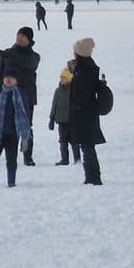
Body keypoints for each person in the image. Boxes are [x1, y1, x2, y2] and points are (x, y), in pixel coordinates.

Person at [0, 27, 40, 165]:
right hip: (6, 96)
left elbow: (29, 64)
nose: (19, 38)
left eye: (23, 36)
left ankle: (27, 156)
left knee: (26, 126)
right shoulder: (7, 54)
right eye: (18, 34)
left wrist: (10, 56)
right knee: (5, 126)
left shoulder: (34, 56)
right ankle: (0, 155)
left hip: (27, 97)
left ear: (29, 40)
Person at [0, 67, 31, 187]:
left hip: (13, 133)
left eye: (12, 78)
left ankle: (11, 181)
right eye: (6, 77)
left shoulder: (20, 94)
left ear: (16, 81)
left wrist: (26, 133)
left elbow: (25, 113)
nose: (8, 80)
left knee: (11, 158)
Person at [69, 38, 105, 185]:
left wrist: (77, 106)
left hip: (84, 115)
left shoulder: (84, 70)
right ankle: (92, 176)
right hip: (87, 115)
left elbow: (81, 93)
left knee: (87, 147)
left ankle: (93, 177)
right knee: (87, 147)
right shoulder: (87, 67)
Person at [49, 62, 81, 166]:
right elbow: (54, 106)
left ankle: (77, 159)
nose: (62, 80)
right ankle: (64, 159)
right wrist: (51, 119)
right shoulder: (57, 91)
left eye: (64, 78)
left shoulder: (74, 90)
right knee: (63, 142)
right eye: (61, 78)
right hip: (61, 121)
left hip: (72, 121)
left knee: (74, 141)